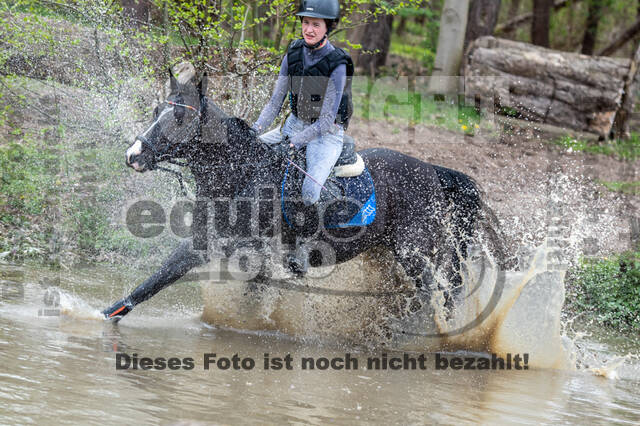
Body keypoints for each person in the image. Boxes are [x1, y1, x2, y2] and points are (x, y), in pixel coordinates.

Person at [252, 0, 353, 208]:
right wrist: (255, 130)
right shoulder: (294, 52)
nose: (309, 30)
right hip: (294, 125)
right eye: (306, 22)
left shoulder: (337, 64)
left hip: (325, 135)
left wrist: (293, 143)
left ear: (328, 27)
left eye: (316, 24)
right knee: (252, 155)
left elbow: (325, 121)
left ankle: (309, 238)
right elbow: (274, 103)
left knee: (309, 191)